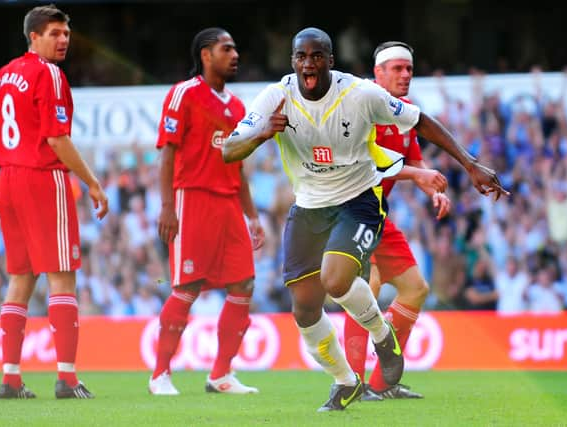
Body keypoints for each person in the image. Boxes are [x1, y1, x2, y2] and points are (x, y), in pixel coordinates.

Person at [223, 27, 508, 412]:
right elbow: (228, 150)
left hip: (357, 202)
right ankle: (345, 382)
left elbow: (421, 121)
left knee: (337, 279)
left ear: (330, 61)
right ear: (293, 61)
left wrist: (470, 164)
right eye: (302, 56)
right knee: (304, 311)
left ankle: (382, 335)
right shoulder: (275, 97)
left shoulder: (359, 93)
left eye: (317, 55)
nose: (309, 63)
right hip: (308, 209)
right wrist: (260, 136)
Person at [0, 4, 109, 399]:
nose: (63, 39)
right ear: (33, 36)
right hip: (41, 177)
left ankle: (10, 377)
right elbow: (56, 139)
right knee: (62, 275)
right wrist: (92, 182)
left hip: (10, 179)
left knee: (20, 278)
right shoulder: (48, 73)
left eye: (66, 33)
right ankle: (67, 378)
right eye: (54, 33)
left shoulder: (4, 74)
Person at [148, 27, 265, 396]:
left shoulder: (238, 107)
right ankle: (160, 375)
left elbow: (239, 165)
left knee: (244, 283)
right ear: (205, 54)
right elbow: (167, 153)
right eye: (226, 48)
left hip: (229, 203)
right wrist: (168, 206)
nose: (235, 55)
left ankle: (220, 375)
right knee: (188, 287)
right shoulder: (183, 94)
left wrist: (253, 216)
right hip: (192, 199)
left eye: (235, 49)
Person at [343, 41, 451, 401]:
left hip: (377, 214)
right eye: (397, 69)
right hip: (349, 210)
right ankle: (352, 384)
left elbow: (415, 162)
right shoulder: (361, 106)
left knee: (415, 289)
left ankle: (381, 383)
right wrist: (419, 177)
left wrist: (432, 189)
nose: (406, 75)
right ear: (378, 73)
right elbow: (367, 164)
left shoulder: (406, 114)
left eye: (409, 69)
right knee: (366, 288)